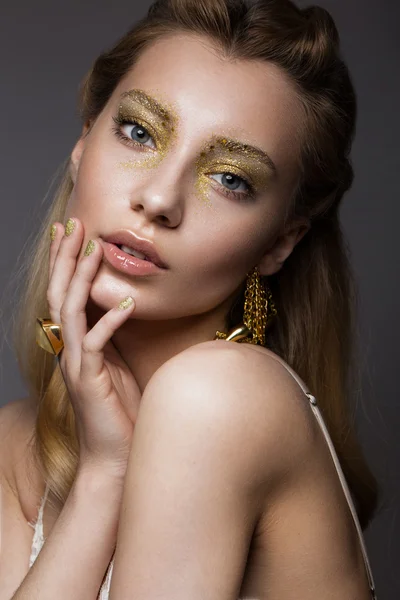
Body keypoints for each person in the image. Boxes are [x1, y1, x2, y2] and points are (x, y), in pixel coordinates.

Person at [0, 0, 380, 598]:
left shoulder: (218, 397)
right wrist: (105, 475)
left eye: (231, 178)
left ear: (280, 242)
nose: (158, 199)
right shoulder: (12, 445)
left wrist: (110, 471)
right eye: (139, 132)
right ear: (82, 144)